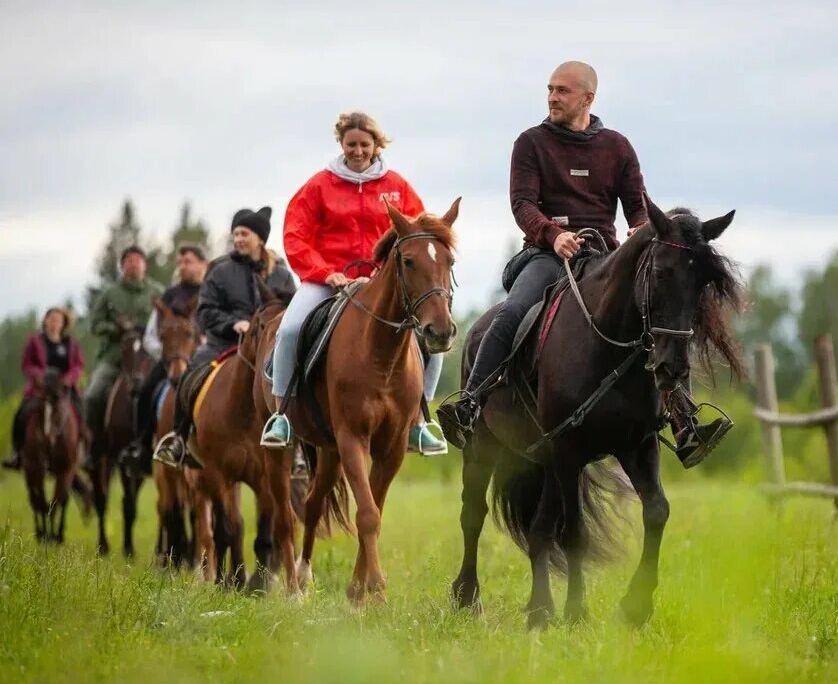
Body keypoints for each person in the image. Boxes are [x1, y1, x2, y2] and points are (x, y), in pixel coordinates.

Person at [438, 60, 732, 468]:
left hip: (604, 258)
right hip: (545, 255)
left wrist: (640, 229)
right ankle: (469, 404)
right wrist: (553, 235)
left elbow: (637, 207)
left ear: (588, 98)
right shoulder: (531, 142)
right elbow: (522, 204)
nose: (552, 97)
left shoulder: (618, 146)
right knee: (512, 312)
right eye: (550, 89)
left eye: (562, 91)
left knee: (656, 316)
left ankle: (683, 421)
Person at [260, 111, 447, 455]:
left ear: (377, 145)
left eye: (364, 144)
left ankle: (420, 423)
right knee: (288, 330)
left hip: (382, 282)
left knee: (432, 336)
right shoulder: (318, 185)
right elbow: (296, 234)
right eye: (351, 145)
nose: (358, 151)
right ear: (341, 144)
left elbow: (416, 235)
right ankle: (281, 416)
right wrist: (324, 272)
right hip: (328, 279)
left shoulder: (398, 186)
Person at [153, 207, 296, 466]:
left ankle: (299, 451)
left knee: (299, 380)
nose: (238, 239)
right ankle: (179, 438)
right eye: (236, 234)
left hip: (271, 349)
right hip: (223, 345)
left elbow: (292, 311)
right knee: (190, 373)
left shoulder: (282, 275)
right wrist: (234, 324)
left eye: (244, 233)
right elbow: (205, 312)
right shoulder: (219, 271)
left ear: (260, 238)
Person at [118, 243, 208, 472]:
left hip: (206, 357)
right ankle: (143, 448)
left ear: (202, 264)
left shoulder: (211, 292)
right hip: (171, 359)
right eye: (180, 263)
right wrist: (169, 355)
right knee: (146, 390)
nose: (182, 267)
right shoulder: (169, 295)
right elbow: (150, 336)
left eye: (187, 261)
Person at [85, 246, 164, 445]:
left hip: (149, 358)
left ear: (145, 265)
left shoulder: (157, 292)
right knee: (93, 395)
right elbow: (94, 324)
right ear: (122, 266)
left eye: (138, 260)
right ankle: (94, 444)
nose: (133, 264)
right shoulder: (109, 293)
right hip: (114, 358)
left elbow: (168, 321)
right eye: (129, 261)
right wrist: (115, 329)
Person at [3, 308, 86, 470]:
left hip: (64, 389)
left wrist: (68, 379)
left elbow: (78, 365)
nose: (54, 324)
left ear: (63, 324)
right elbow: (27, 364)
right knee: (22, 412)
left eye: (58, 320)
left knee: (82, 412)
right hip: (41, 389)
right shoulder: (35, 341)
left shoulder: (70, 344)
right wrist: (38, 377)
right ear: (45, 321)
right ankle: (17, 453)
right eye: (52, 320)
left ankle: (83, 451)